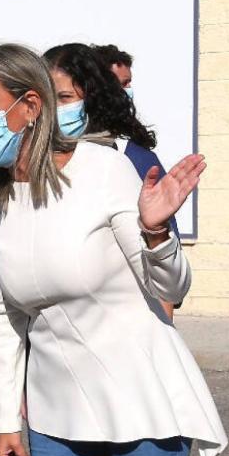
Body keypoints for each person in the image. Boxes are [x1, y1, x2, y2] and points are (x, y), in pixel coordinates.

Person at [0, 43, 227, 456]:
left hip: (140, 393)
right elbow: (4, 315)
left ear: (30, 105)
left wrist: (156, 234)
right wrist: (6, 420)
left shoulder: (102, 169)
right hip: (56, 405)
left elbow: (172, 287)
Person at [43, 42, 179, 318]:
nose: (55, 107)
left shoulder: (130, 159)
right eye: (48, 98)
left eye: (65, 97)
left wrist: (164, 331)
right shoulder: (31, 167)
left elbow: (164, 275)